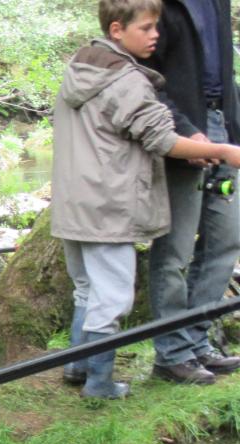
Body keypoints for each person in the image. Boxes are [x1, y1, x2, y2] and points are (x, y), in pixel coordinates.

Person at [51, 0, 240, 398]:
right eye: (149, 29)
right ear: (118, 30)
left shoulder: (83, 68)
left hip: (76, 206)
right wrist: (223, 152)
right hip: (110, 207)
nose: (156, 36)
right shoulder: (128, 80)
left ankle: (78, 366)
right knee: (113, 295)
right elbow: (160, 137)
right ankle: (100, 383)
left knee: (87, 289)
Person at [144, 0, 240, 384]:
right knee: (175, 249)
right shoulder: (159, 6)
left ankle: (197, 343)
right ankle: (171, 354)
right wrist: (184, 129)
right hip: (180, 134)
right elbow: (147, 77)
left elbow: (224, 76)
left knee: (226, 240)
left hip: (222, 125)